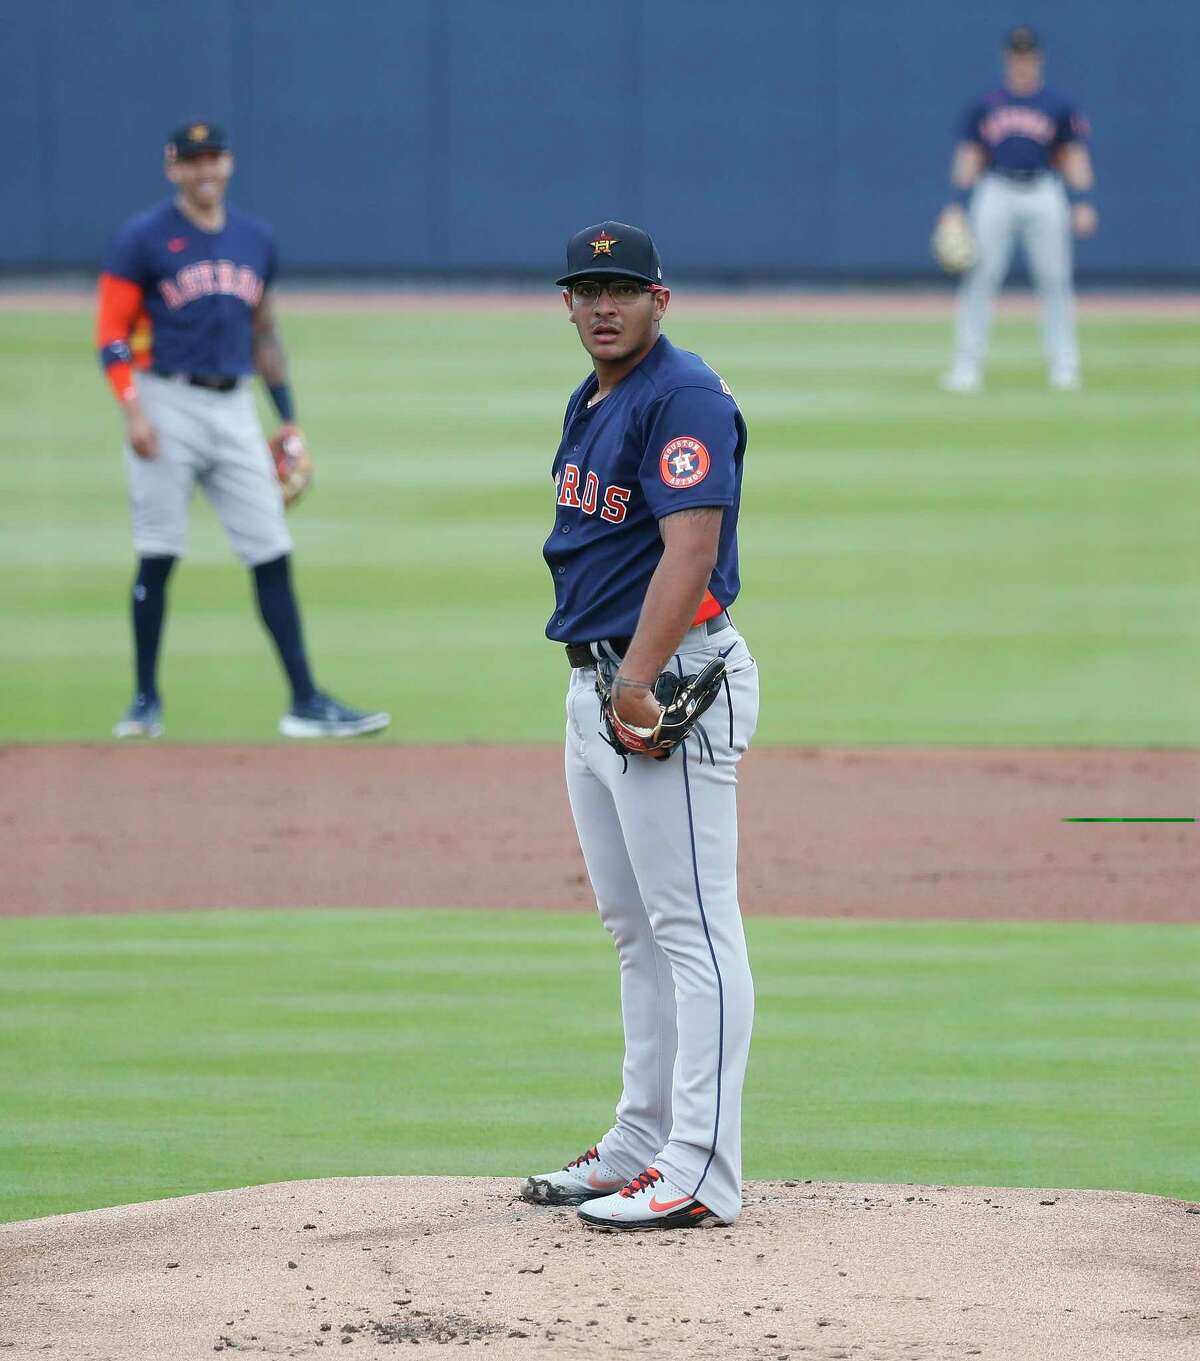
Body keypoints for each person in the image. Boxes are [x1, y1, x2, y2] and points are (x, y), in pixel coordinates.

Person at [520, 222, 760, 1232]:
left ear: (661, 298)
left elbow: (690, 552)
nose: (603, 304)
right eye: (587, 288)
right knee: (637, 931)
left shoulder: (683, 395)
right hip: (599, 684)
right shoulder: (596, 394)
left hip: (664, 685)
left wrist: (640, 682)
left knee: (694, 930)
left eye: (621, 287)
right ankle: (641, 1137)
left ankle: (701, 1167)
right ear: (568, 303)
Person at [96, 120, 389, 739]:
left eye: (214, 159)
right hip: (163, 397)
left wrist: (288, 418)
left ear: (227, 165)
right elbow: (111, 334)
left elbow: (265, 332)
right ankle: (144, 702)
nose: (204, 172)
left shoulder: (255, 239)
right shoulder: (142, 239)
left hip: (233, 406)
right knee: (158, 552)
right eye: (192, 161)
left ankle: (305, 701)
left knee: (270, 549)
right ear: (172, 167)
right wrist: (133, 411)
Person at [938, 26, 1098, 392]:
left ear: (1038, 58)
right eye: (1016, 55)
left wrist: (1083, 200)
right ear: (1007, 58)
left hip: (1044, 190)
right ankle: (966, 367)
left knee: (1055, 281)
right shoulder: (986, 104)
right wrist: (956, 204)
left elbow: (1073, 154)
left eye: (1028, 55)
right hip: (995, 189)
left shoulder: (1058, 105)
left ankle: (1064, 367)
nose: (1022, 61)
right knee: (979, 279)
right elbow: (970, 155)